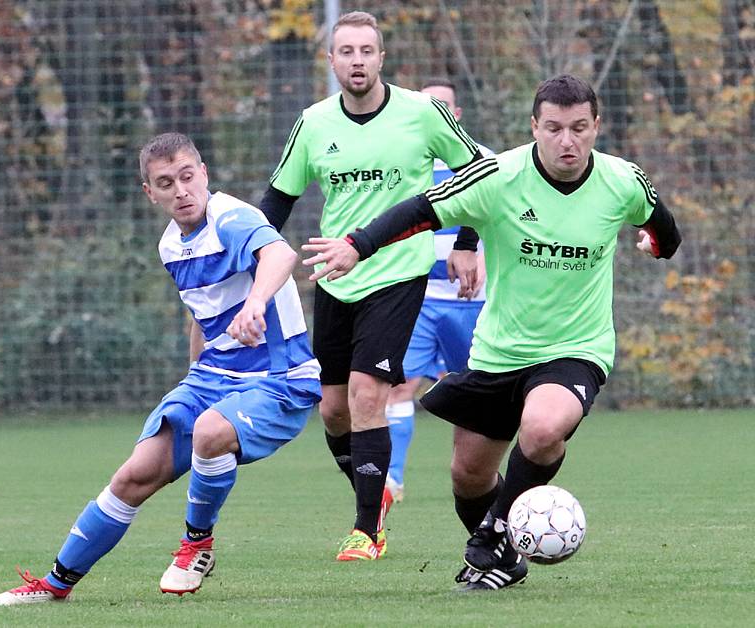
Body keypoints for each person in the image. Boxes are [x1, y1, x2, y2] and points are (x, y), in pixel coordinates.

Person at [302, 74, 682, 589]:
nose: (566, 141)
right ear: (534, 127)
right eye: (553, 128)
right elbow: (419, 212)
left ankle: (494, 533)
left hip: (577, 348)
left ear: (597, 125)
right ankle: (505, 561)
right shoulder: (498, 175)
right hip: (499, 352)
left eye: (578, 128)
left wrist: (651, 246)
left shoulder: (622, 181)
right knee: (468, 474)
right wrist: (356, 244)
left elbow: (665, 230)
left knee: (544, 428)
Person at [0, 132, 321, 605]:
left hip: (279, 379)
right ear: (151, 192)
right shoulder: (170, 246)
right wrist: (193, 375)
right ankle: (56, 584)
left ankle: (196, 546)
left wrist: (257, 303)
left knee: (209, 431)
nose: (181, 190)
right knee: (133, 476)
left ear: (203, 173)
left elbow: (281, 254)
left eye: (187, 177)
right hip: (212, 379)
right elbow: (200, 313)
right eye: (166, 183)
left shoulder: (235, 217)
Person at [259, 11, 483, 561]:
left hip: (398, 274)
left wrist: (467, 242)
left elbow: (481, 171)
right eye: (346, 51)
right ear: (331, 61)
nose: (357, 60)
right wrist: (249, 254)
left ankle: (367, 529)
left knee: (366, 395)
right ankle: (374, 490)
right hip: (336, 277)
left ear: (381, 58)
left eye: (366, 50)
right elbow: (278, 201)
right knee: (332, 409)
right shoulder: (313, 123)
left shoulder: (421, 113)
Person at [385, 78, 493, 503]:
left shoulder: (483, 160)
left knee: (478, 392)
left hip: (470, 302)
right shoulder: (406, 163)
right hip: (417, 299)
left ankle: (479, 478)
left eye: (444, 107)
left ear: (458, 115)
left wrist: (481, 255)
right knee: (398, 386)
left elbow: (502, 216)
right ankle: (389, 483)